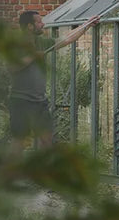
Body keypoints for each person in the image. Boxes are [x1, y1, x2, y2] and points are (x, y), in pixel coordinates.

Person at [10, 11, 100, 151]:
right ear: (30, 26)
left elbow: (66, 39)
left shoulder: (41, 42)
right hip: (21, 101)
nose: (43, 24)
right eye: (39, 22)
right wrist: (33, 56)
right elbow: (12, 66)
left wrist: (86, 24)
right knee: (19, 143)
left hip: (40, 101)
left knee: (47, 141)